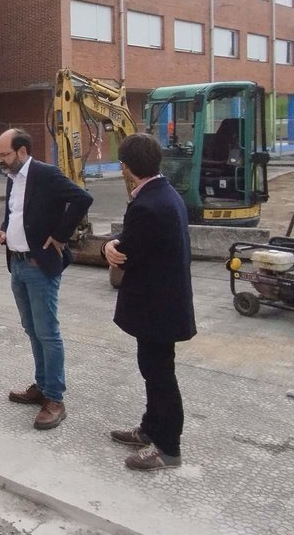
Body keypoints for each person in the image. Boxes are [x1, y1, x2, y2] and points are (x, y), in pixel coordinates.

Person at [104, 133, 196, 470]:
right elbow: (139, 242)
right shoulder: (164, 193)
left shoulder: (147, 203)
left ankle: (168, 448)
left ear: (126, 166)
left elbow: (128, 253)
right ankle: (149, 428)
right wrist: (116, 244)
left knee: (160, 377)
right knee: (154, 371)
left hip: (157, 308)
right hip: (165, 304)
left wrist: (110, 249)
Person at [0, 128, 92, 430]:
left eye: (4, 155)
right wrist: (3, 231)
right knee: (32, 329)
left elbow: (82, 199)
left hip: (38, 266)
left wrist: (59, 235)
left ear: (22, 151)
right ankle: (42, 386)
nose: (0, 162)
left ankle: (55, 399)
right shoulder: (12, 180)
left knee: (47, 332)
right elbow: (15, 215)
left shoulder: (46, 174)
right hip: (17, 264)